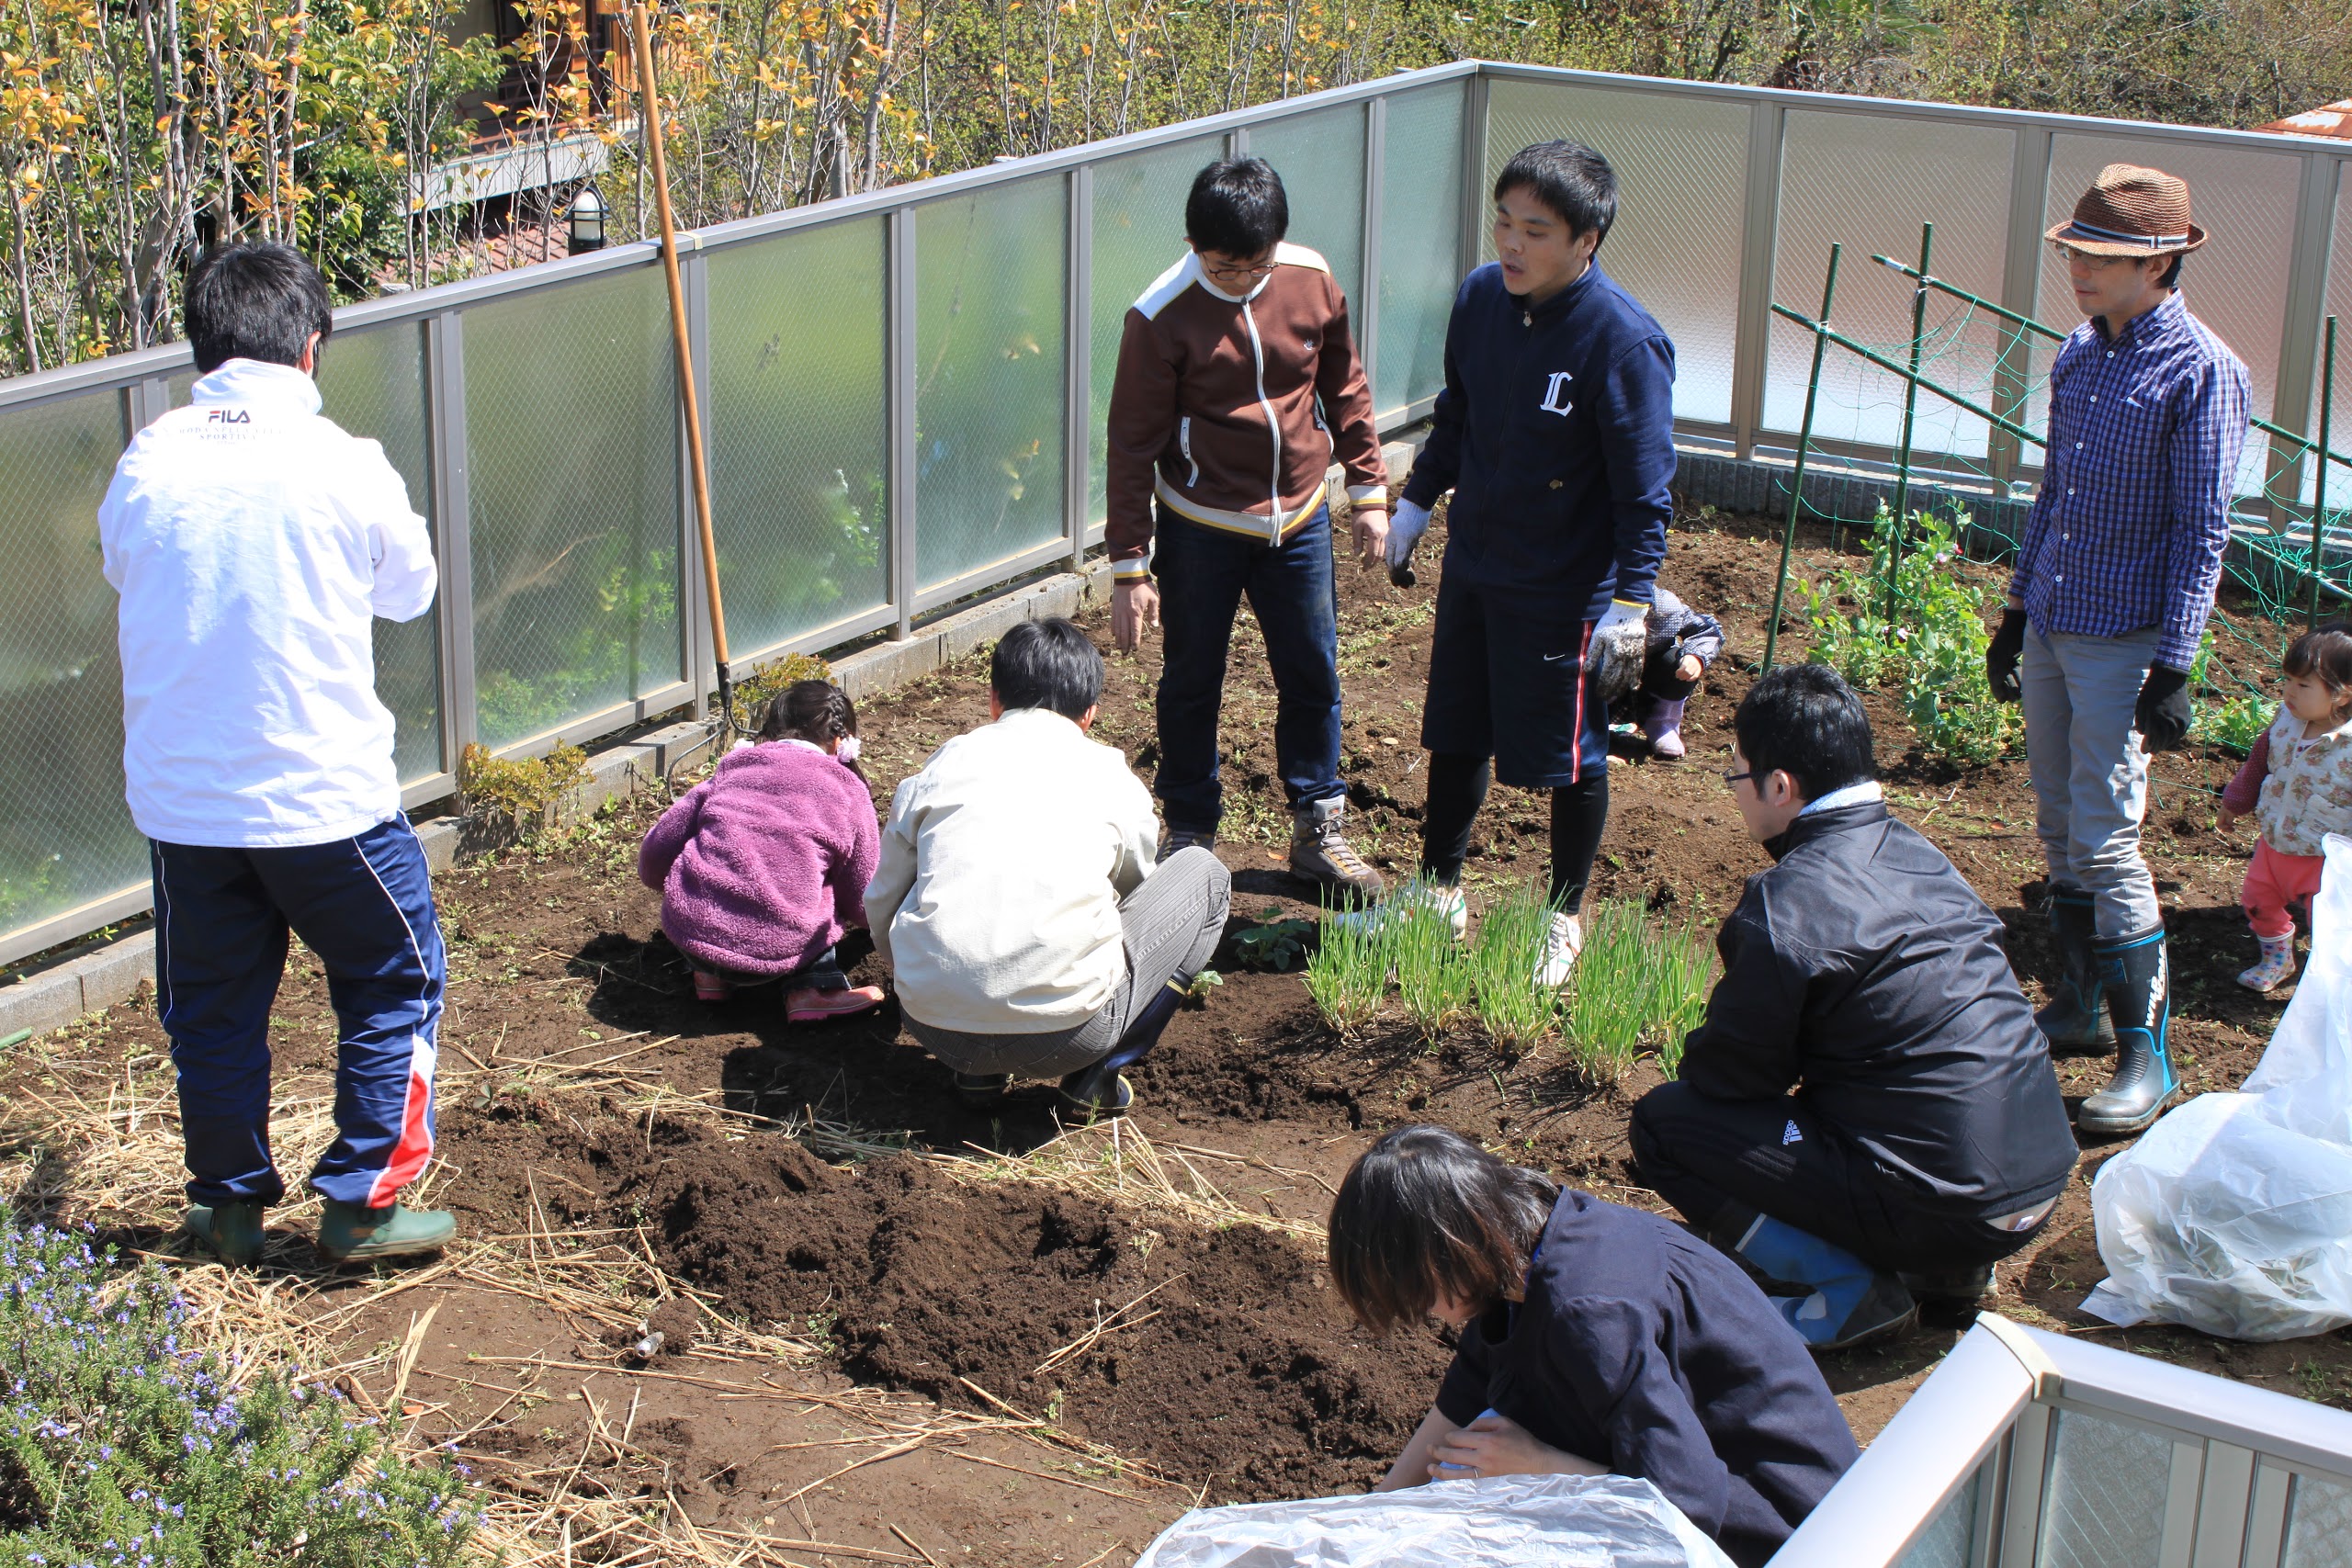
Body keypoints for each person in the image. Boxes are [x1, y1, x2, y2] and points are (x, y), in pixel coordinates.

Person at [98, 242, 453, 1266]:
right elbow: (411, 592)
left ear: (202, 348)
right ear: (310, 348)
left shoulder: (149, 458)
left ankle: (228, 1209)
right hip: (323, 800)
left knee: (211, 1008)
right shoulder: (343, 460)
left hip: (184, 805)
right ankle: (363, 1207)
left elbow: (125, 568)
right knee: (393, 979)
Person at [1631, 665, 2078, 1351]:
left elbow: (1731, 1081)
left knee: (1667, 1124)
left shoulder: (1787, 902)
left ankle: (1848, 1291)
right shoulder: (1924, 856)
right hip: (2037, 1180)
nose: (1738, 793)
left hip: (1947, 1200)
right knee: (1890, 1096)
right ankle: (1949, 1274)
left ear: (1781, 786)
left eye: (1739, 776)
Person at [1362, 140, 1676, 983]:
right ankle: (1437, 892)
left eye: (1536, 230)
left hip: (1565, 588)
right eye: (1503, 222)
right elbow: (1456, 414)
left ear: (1586, 242)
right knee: (1456, 732)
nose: (1511, 244)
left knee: (1571, 754)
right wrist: (1420, 500)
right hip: (1478, 565)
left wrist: (1632, 603)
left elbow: (1645, 491)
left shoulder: (1622, 343)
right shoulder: (1480, 300)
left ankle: (1563, 917)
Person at [1985, 163, 2251, 1135]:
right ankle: (2080, 1003)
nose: (2078, 271)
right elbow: (2052, 495)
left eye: (2099, 257)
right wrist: (2016, 612)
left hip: (2124, 638)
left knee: (2106, 838)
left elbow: (2202, 530)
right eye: (2075, 252)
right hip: (2058, 618)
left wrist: (2174, 663)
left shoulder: (2200, 372)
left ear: (2160, 262)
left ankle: (2149, 1057)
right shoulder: (2080, 352)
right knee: (2056, 821)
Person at [1329, 1125, 1857, 1568]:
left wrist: (1539, 1465)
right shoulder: (1530, 1238)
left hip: (1789, 1529)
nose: (1421, 1311)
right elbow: (1469, 1384)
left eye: (1417, 1292)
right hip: (1730, 1474)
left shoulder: (1585, 1314)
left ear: (1457, 1244)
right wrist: (1381, 1511)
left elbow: (1687, 1503)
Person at [1103, 156, 1390, 897]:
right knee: (1192, 678)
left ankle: (1317, 827)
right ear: (1196, 247)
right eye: (1223, 266)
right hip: (1201, 522)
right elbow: (1132, 443)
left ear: (1276, 246)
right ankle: (1192, 831)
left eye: (1253, 265)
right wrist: (1130, 565)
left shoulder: (1310, 278)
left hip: (1298, 517)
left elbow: (1344, 383)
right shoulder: (1160, 316)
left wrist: (1367, 487)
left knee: (1313, 670)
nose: (1239, 279)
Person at [866, 618, 1233, 1116]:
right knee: (1204, 873)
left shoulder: (943, 766)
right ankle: (1098, 1074)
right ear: (1089, 714)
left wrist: (917, 981)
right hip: (1071, 1035)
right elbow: (1136, 891)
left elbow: (883, 896)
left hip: (936, 1028)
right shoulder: (1108, 773)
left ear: (994, 699)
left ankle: (977, 1073)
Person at [637, 679, 884, 1022]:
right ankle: (813, 989)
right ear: (842, 741)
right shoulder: (849, 792)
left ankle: (711, 975)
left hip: (692, 937)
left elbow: (654, 857)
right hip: (779, 950)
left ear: (772, 729)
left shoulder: (734, 767)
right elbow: (862, 898)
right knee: (821, 888)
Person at [2216, 623, 2352, 992]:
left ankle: (2328, 979)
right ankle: (2277, 958)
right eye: (2288, 680)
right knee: (2258, 902)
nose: (2289, 692)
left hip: (2325, 856)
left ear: (2342, 695)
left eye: (2303, 685)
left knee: (2327, 921)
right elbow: (2259, 762)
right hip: (2274, 842)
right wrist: (2235, 801)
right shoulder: (2285, 722)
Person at [1624, 585, 1724, 761]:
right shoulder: (1589, 599)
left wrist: (1696, 657)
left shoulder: (1664, 607)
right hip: (1592, 681)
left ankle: (1662, 723)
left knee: (1674, 660)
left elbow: (1707, 630)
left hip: (1644, 680)